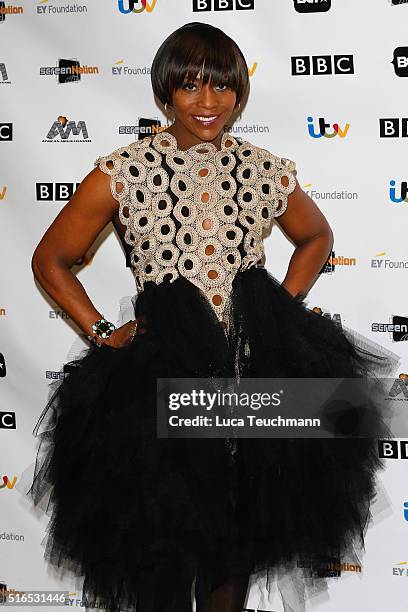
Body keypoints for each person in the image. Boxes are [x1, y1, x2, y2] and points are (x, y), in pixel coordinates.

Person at [26, 21, 400, 612]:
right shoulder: (123, 170)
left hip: (250, 374)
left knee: (234, 552)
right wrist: (101, 331)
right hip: (161, 377)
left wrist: (275, 307)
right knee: (163, 560)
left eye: (222, 87)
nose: (208, 102)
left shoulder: (263, 168)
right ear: (165, 91)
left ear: (239, 94)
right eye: (192, 85)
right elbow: (51, 259)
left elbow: (316, 236)